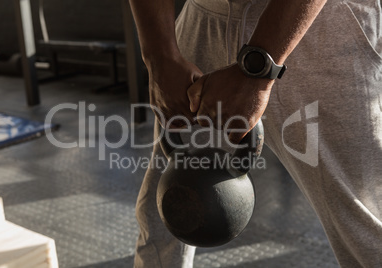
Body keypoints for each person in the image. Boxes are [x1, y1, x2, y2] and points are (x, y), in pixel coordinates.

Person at [129, 0, 382, 267]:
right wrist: (159, 55)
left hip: (316, 25)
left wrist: (258, 68)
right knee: (160, 219)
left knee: (364, 229)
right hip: (203, 16)